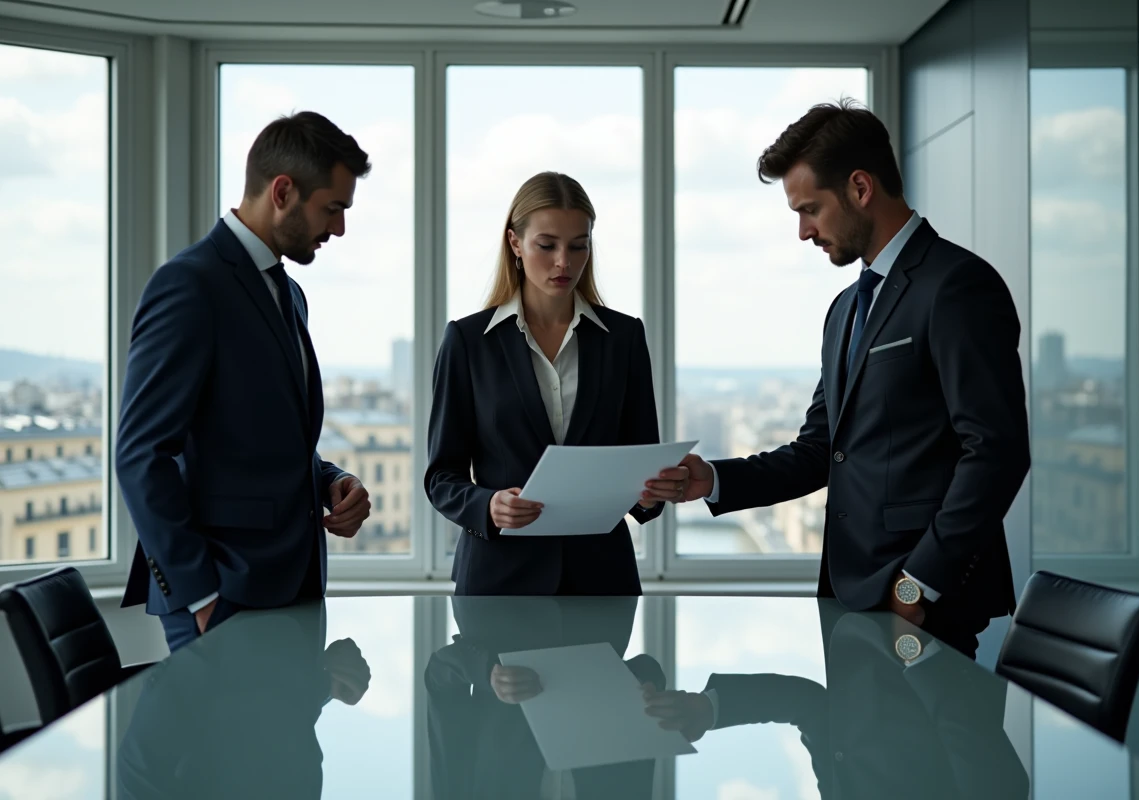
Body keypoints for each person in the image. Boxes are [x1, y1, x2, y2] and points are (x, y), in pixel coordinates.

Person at [651, 99, 1030, 658]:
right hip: (852, 599)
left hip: (923, 605)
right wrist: (713, 480)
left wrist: (917, 585)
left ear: (860, 188)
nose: (803, 232)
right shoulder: (846, 308)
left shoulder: (957, 286)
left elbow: (997, 451)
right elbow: (820, 450)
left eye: (811, 209)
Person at [115, 111, 374, 652]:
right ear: (282, 192)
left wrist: (331, 480)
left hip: (292, 588)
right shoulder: (189, 284)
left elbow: (265, 437)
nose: (340, 229)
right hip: (223, 598)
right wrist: (201, 597)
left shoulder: (288, 293)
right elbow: (141, 454)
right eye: (333, 208)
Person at [425, 172, 672, 596]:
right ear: (515, 243)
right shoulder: (467, 341)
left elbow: (641, 460)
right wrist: (488, 506)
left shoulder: (624, 338)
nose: (564, 262)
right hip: (497, 583)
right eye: (547, 245)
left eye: (578, 245)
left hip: (602, 582)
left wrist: (650, 495)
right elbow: (441, 476)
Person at [642, 602, 1029, 800]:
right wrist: (915, 650)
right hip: (934, 631)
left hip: (862, 616)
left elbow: (810, 706)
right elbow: (1001, 784)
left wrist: (711, 709)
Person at [117, 603, 371, 799]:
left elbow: (140, 762)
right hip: (280, 619)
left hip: (222, 617)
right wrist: (323, 684)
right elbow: (284, 737)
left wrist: (212, 624)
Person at [425, 595, 663, 799]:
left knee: (484, 548)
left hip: (500, 600)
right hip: (598, 602)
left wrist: (487, 672)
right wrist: (647, 688)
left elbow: (439, 678)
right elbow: (645, 671)